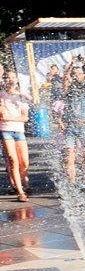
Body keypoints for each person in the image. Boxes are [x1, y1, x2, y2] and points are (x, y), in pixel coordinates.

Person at [59, 58, 85, 183]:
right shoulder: (68, 89)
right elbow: (65, 78)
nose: (77, 76)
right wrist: (71, 64)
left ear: (83, 75)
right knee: (70, 156)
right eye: (75, 74)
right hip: (71, 127)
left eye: (80, 73)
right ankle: (72, 183)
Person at [0, 71, 32, 201]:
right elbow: (2, 116)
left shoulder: (21, 97)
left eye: (13, 77)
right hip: (6, 130)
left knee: (24, 162)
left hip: (19, 131)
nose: (11, 79)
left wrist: (11, 117)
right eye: (8, 77)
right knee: (13, 160)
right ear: (5, 80)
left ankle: (26, 184)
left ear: (17, 80)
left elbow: (25, 117)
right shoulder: (1, 95)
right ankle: (20, 192)